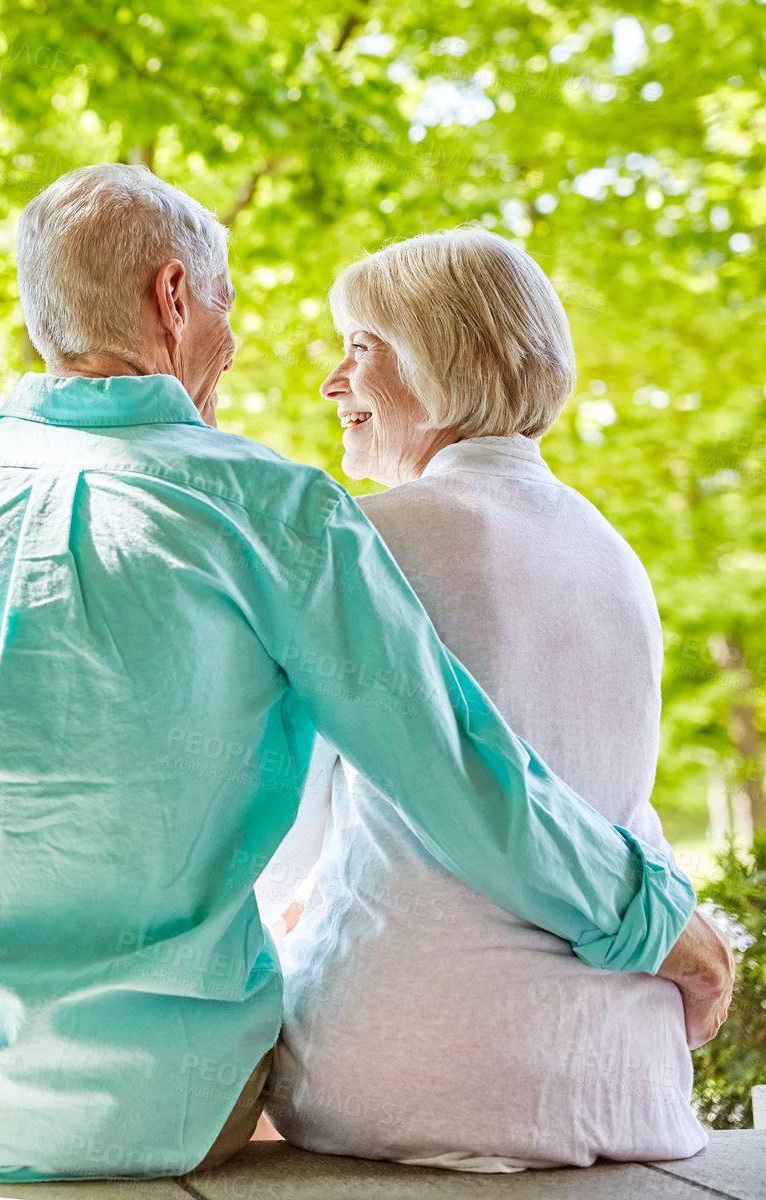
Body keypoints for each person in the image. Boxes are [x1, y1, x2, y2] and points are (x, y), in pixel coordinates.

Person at [0, 163, 732, 1183]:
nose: (237, 345)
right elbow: (451, 772)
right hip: (157, 1106)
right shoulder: (275, 510)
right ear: (173, 297)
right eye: (226, 306)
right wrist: (655, 918)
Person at [260, 228, 720, 1169]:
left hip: (408, 1075)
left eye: (359, 348)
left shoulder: (367, 538)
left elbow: (272, 837)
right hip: (626, 1079)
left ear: (442, 356)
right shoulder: (609, 549)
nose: (331, 384)